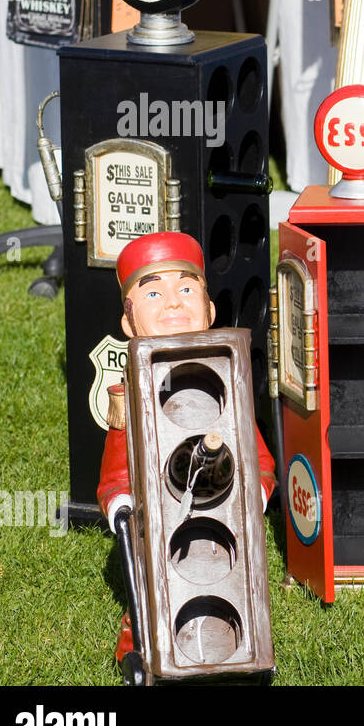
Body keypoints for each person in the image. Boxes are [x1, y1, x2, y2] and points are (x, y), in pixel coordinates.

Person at [97, 231, 276, 665]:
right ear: (128, 322)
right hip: (160, 521)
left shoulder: (227, 383)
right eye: (153, 292)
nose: (173, 303)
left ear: (210, 310)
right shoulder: (130, 396)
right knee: (159, 586)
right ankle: (144, 639)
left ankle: (237, 644)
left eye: (185, 288)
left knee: (224, 578)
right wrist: (122, 504)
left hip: (221, 520)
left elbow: (259, 458)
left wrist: (256, 491)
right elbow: (116, 471)